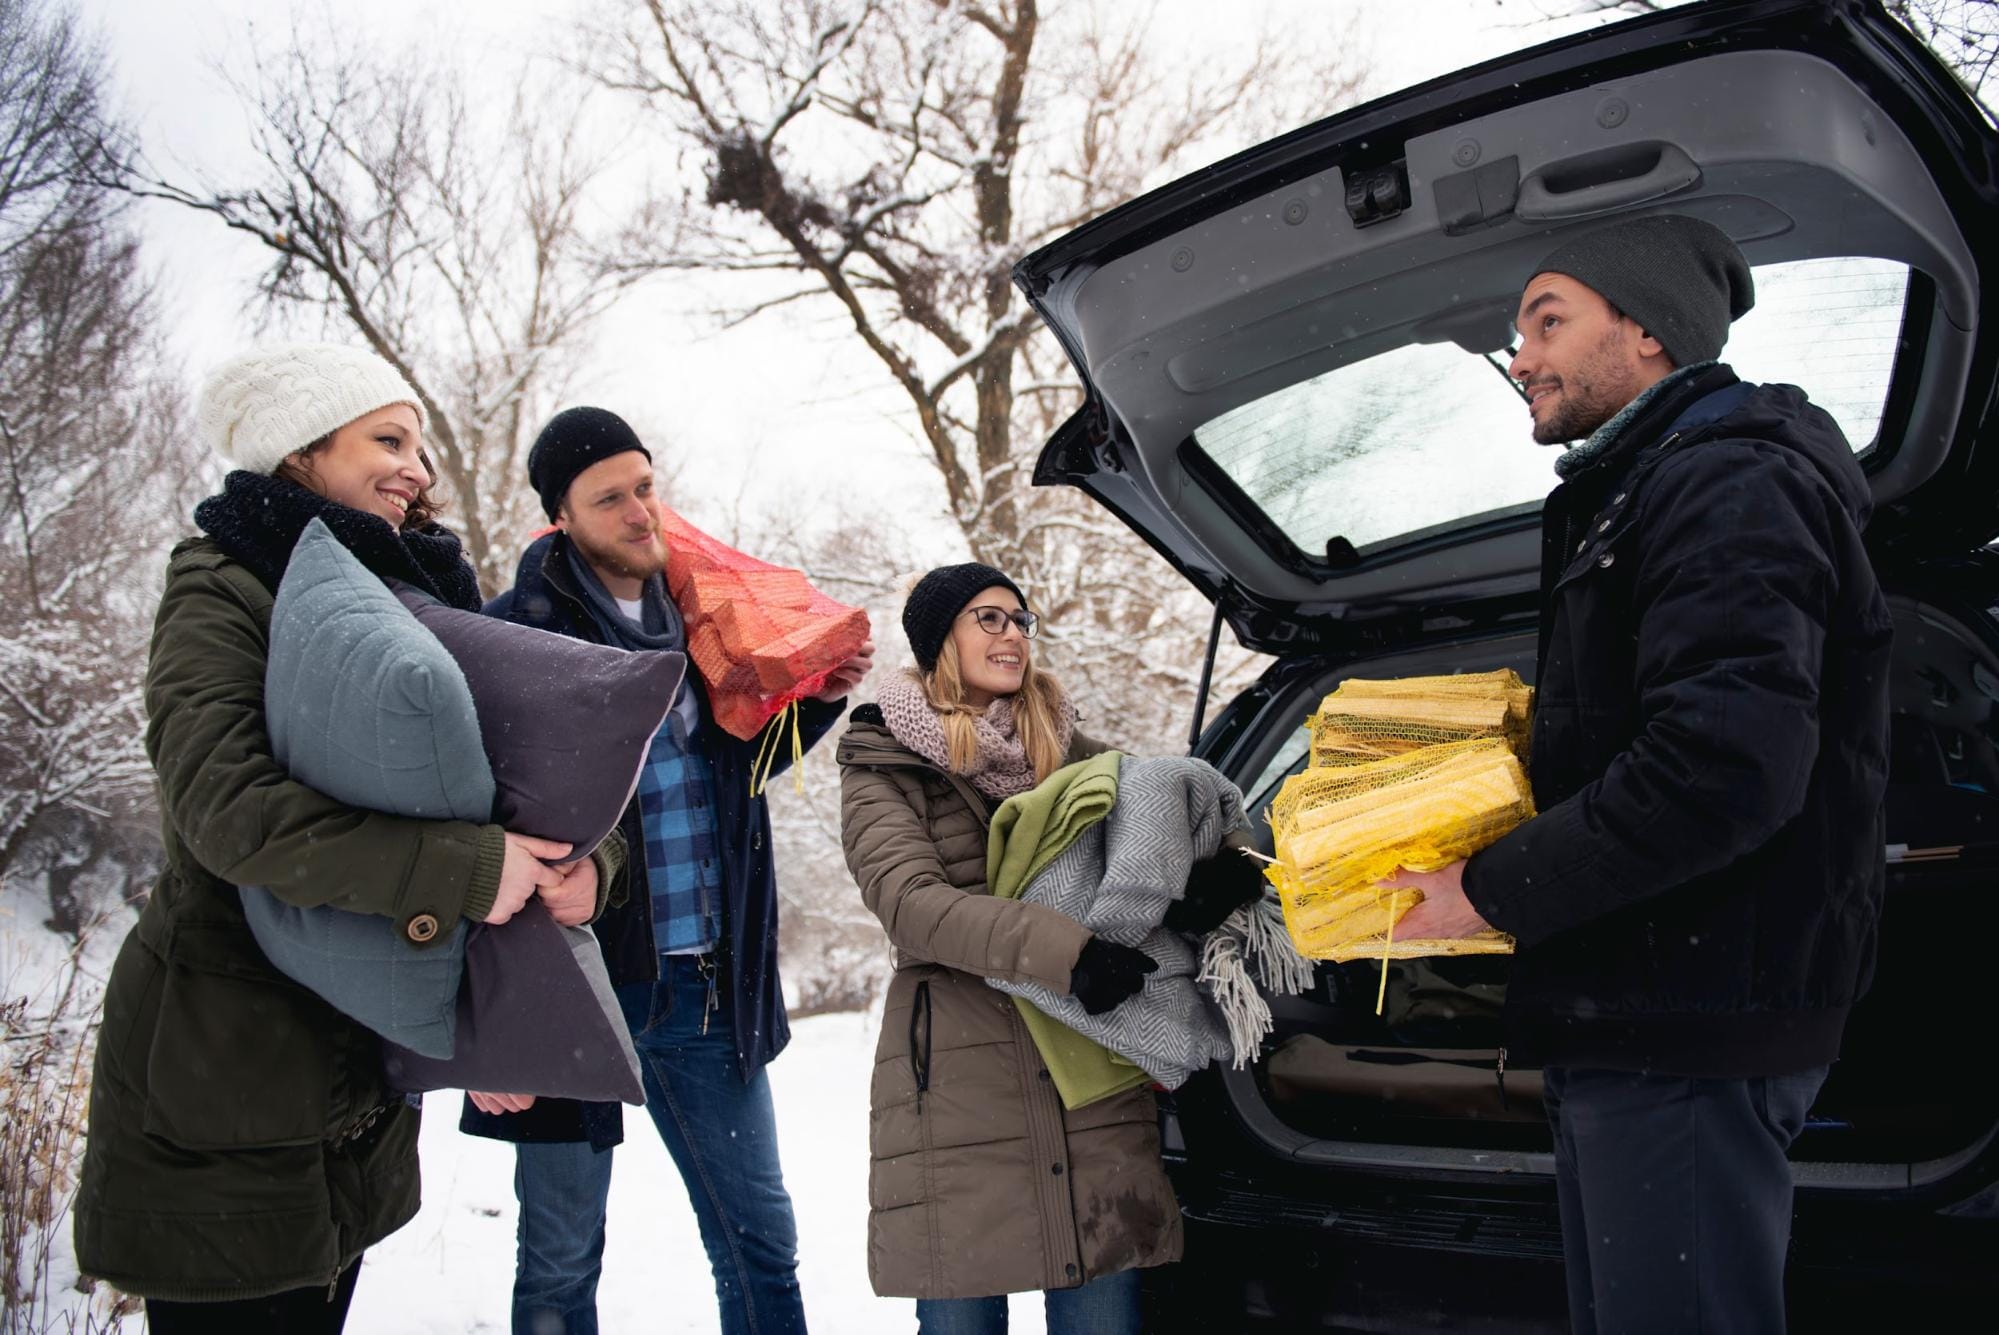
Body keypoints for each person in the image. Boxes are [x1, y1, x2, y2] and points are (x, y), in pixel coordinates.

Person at [1387, 215, 1893, 1334]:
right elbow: (1627, 742)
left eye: (1548, 320)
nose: (1518, 357)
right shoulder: (1650, 486)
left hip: (1688, 1018)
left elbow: (1719, 768)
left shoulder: (1728, 485)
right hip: (1641, 1011)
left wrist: (1483, 891)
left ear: (1649, 328)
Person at [73, 344, 610, 1334]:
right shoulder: (224, 586)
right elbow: (224, 808)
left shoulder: (417, 592)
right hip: (228, 1078)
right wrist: (466, 871)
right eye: (387, 439)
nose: (419, 467)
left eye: (420, 444)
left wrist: (587, 871)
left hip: (355, 1092)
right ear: (300, 449)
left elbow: (502, 785)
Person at [464, 406, 873, 1335]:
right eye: (609, 498)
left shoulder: (707, 624)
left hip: (700, 990)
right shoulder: (511, 637)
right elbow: (471, 828)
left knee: (759, 1243)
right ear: (559, 516)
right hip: (571, 991)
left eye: (644, 487)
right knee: (560, 1261)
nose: (639, 511)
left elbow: (729, 782)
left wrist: (812, 706)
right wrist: (488, 1027)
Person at [836, 563, 1263, 1334]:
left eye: (1019, 620)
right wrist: (1069, 950)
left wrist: (1221, 862)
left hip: (1087, 1069)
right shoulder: (883, 763)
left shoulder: (1066, 751)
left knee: (1102, 1310)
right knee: (962, 1316)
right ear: (940, 640)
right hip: (962, 1092)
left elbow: (1167, 799)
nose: (1011, 634)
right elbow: (913, 905)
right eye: (987, 618)